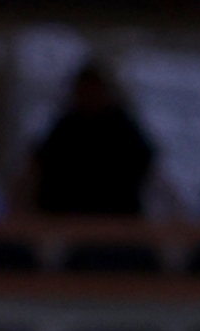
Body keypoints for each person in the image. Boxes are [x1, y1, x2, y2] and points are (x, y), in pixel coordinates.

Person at [32, 65, 158, 219]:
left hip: (116, 218)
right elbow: (42, 165)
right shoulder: (66, 128)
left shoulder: (121, 127)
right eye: (84, 91)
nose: (89, 96)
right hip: (66, 218)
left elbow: (143, 162)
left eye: (93, 90)